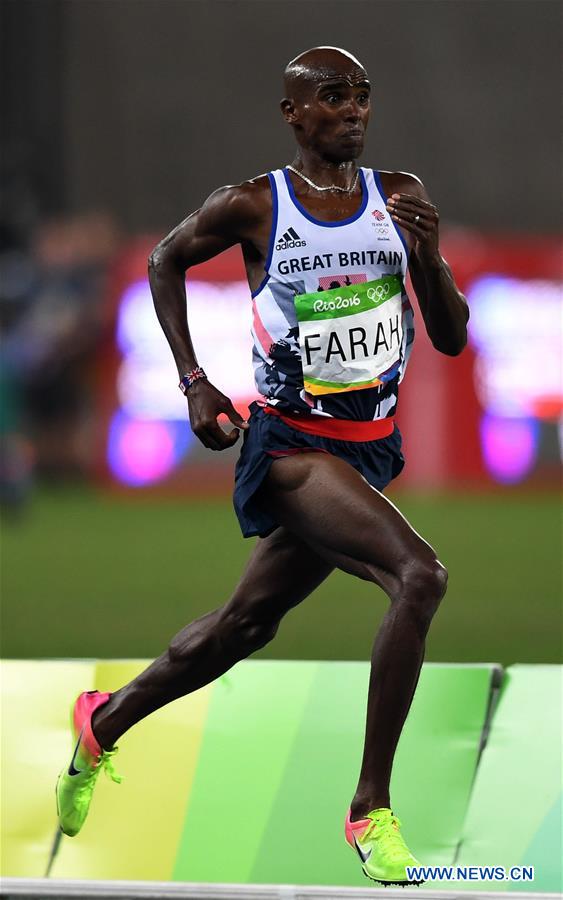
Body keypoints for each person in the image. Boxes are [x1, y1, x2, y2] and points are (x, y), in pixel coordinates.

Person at [56, 46, 469, 885]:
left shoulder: (401, 198)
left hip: (368, 448)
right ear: (292, 112)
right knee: (419, 576)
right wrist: (194, 381)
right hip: (289, 447)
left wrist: (426, 258)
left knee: (244, 626)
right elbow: (163, 261)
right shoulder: (252, 205)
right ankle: (370, 810)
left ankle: (103, 721)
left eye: (360, 96)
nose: (351, 110)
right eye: (331, 97)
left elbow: (452, 335)